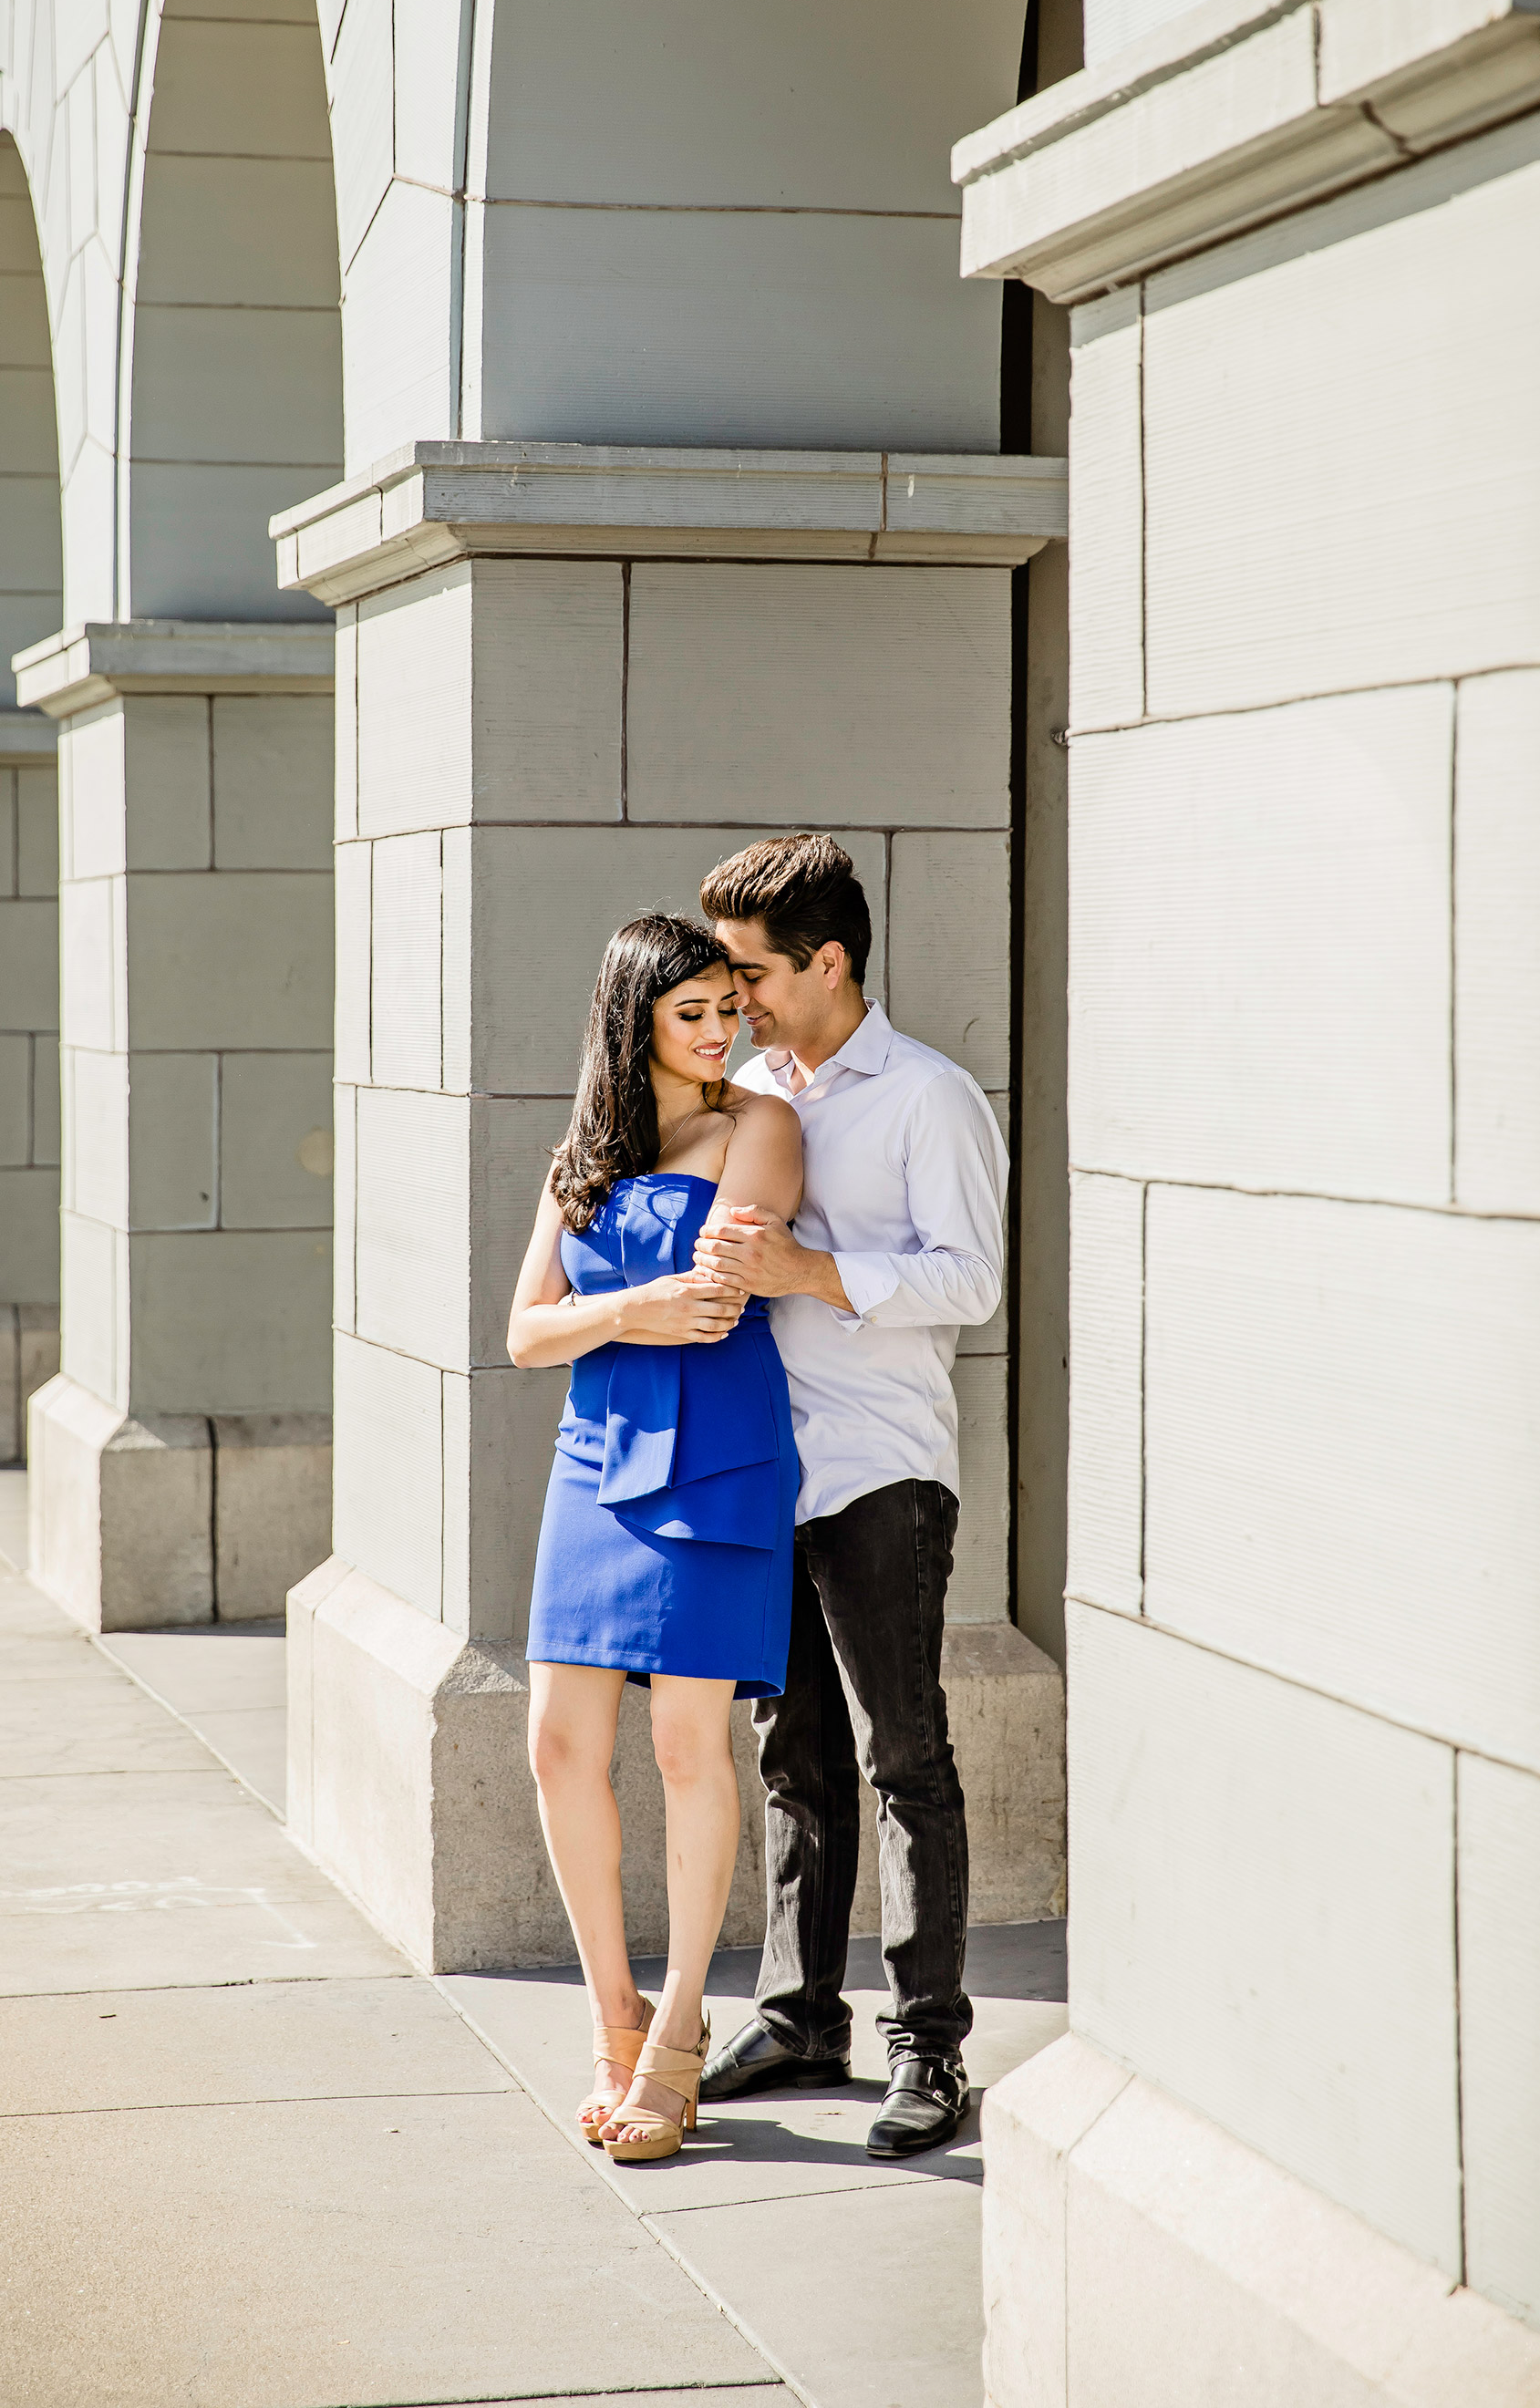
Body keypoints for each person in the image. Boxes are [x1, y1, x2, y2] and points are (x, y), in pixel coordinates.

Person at [689, 833, 1008, 2160]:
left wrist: (809, 1275)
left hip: (882, 1465)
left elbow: (970, 1281)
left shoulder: (928, 1095)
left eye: (756, 972)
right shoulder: (748, 1083)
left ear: (830, 962)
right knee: (790, 1757)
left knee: (902, 1757)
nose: (738, 996)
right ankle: (800, 2014)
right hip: (773, 1466)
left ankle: (928, 2049)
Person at [511, 912, 803, 2165]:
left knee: (691, 1744)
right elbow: (525, 1332)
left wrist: (597, 1312)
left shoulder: (761, 1126)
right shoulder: (579, 1152)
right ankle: (611, 2020)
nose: (717, 1032)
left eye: (727, 1010)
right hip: (592, 1464)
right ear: (632, 1022)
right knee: (556, 1745)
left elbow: (717, 1298)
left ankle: (680, 2034)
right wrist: (624, 1306)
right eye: (689, 1014)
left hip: (720, 1461)